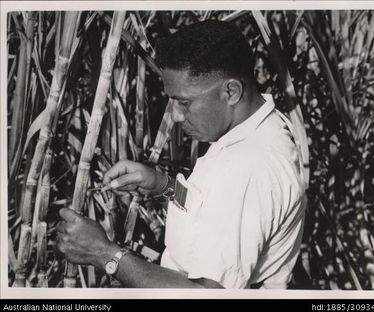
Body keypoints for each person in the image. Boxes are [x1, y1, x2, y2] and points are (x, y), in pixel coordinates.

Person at [56, 20, 306, 289]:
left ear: (231, 91)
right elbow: (212, 213)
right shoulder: (261, 128)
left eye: (184, 102)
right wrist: (161, 186)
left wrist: (103, 253)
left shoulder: (246, 168)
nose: (174, 115)